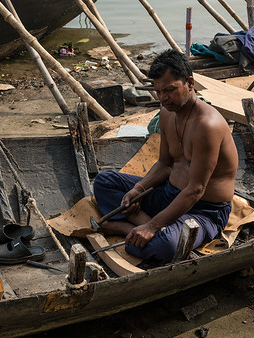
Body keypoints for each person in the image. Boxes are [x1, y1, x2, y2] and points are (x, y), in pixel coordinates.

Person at [93, 49, 238, 262]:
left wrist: (152, 226)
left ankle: (127, 227)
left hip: (204, 211)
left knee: (165, 246)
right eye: (158, 91)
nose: (163, 98)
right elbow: (165, 163)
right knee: (104, 182)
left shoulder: (207, 126)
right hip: (168, 194)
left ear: (190, 83)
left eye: (170, 90)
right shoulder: (167, 113)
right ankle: (142, 222)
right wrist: (138, 189)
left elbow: (196, 190)